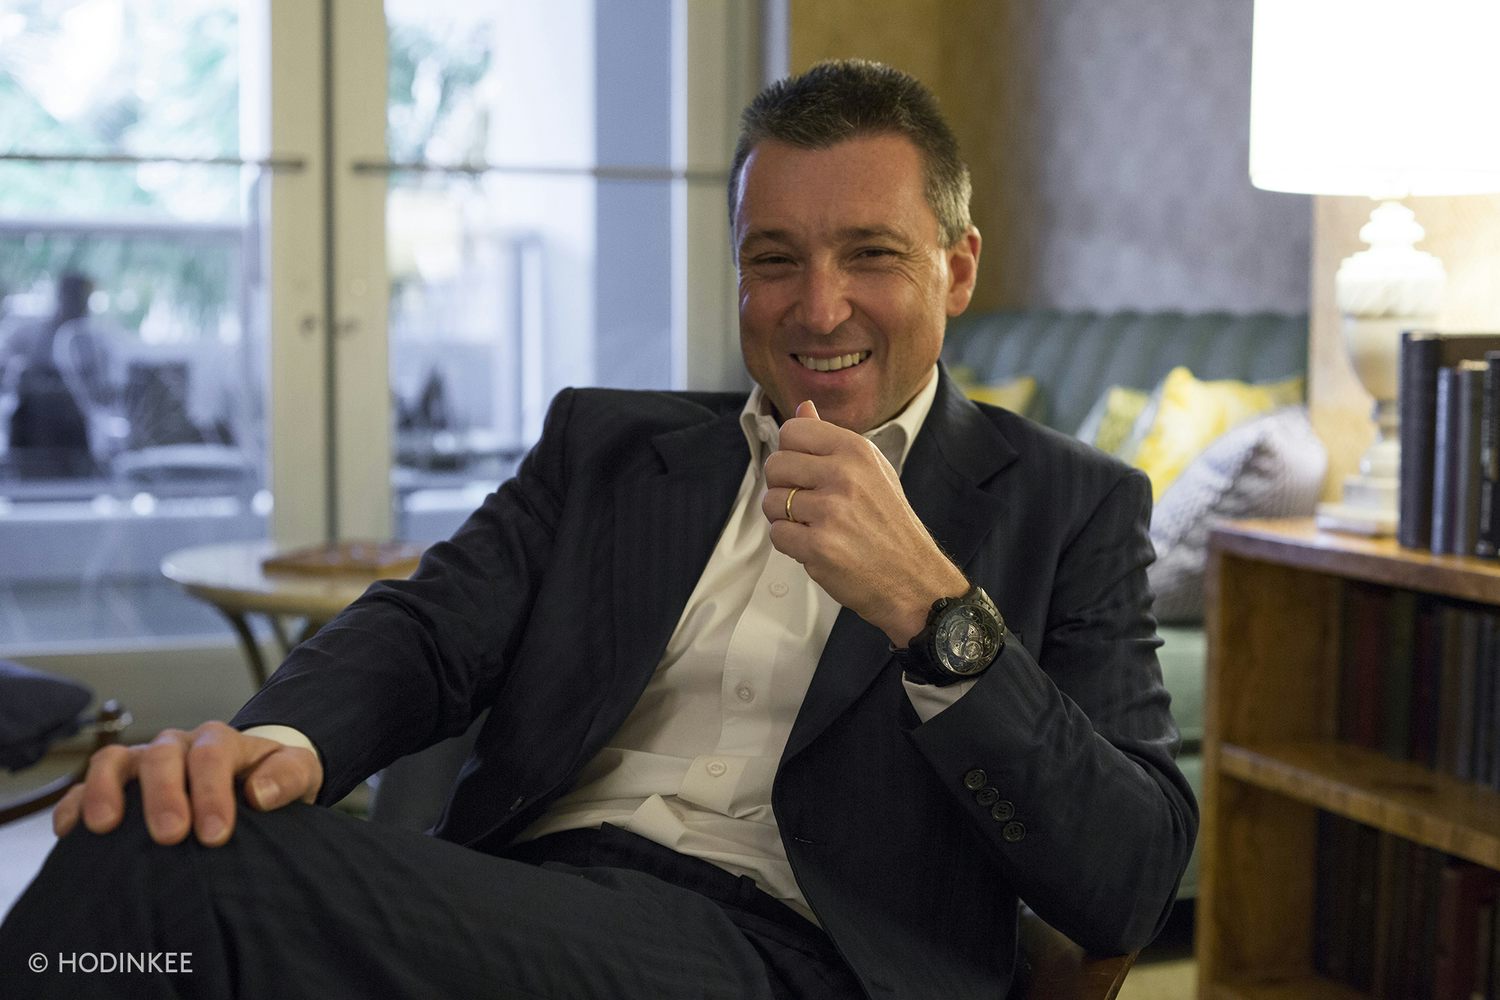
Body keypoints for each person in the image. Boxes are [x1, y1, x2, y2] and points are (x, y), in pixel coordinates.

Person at [0, 60, 1195, 999]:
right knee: (153, 833)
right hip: (522, 895)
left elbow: (1130, 875)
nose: (818, 307)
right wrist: (276, 744)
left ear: (958, 268)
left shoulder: (1068, 503)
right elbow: (429, 627)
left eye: (871, 256)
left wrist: (933, 611)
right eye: (774, 258)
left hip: (793, 952)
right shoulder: (610, 445)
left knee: (172, 875)